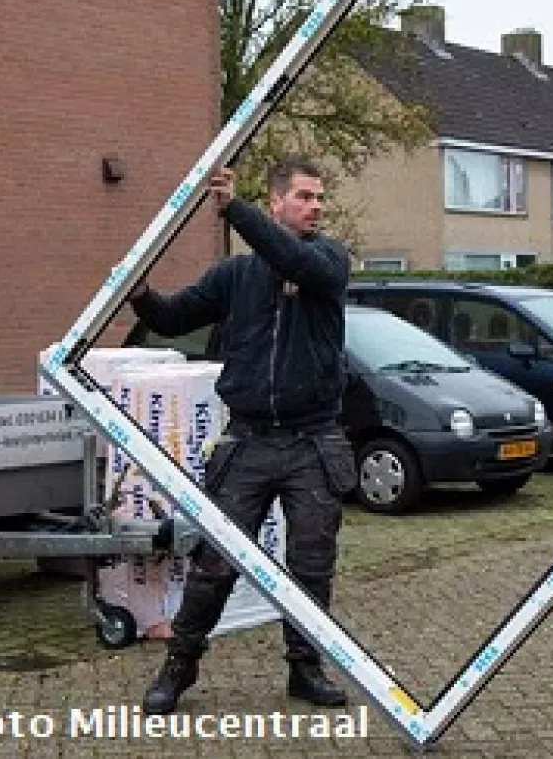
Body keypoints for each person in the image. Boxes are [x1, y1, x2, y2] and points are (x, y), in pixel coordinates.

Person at [128, 156, 356, 715]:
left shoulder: (327, 261)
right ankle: (176, 671)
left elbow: (293, 259)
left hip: (311, 442)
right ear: (277, 201)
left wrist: (234, 210)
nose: (315, 206)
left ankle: (306, 671)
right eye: (303, 196)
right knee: (215, 566)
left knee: (311, 564)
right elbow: (173, 318)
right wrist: (136, 290)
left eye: (319, 198)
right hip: (249, 442)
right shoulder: (234, 277)